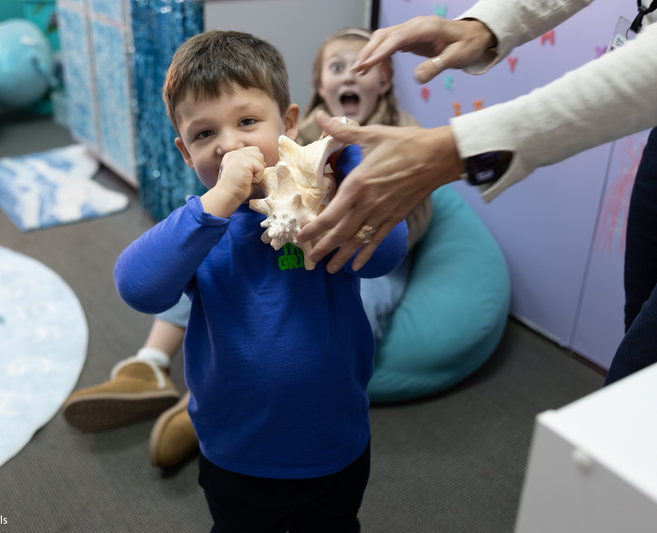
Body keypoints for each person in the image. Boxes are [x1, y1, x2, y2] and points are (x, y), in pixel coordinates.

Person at [62, 27, 431, 470]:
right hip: (231, 447)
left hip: (331, 441)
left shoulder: (326, 205)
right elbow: (137, 287)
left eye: (247, 122)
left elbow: (386, 255)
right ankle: (156, 375)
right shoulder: (199, 224)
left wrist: (348, 162)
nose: (229, 145)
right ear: (184, 152)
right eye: (203, 134)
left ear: (289, 124)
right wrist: (214, 204)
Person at [295, 0, 657, 386]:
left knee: (634, 370)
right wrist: (483, 25)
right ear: (318, 84)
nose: (350, 78)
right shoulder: (302, 139)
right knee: (637, 305)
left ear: (383, 80)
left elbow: (413, 221)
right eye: (337, 68)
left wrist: (455, 151)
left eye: (361, 68)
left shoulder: (404, 129)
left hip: (376, 263)